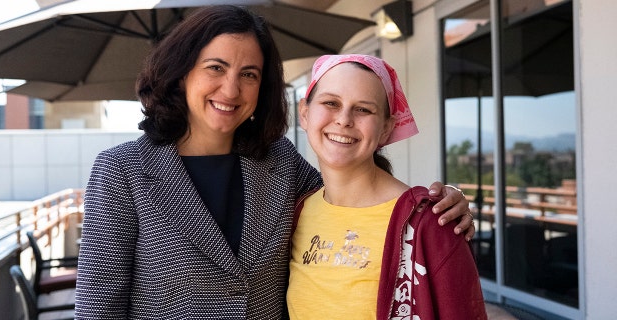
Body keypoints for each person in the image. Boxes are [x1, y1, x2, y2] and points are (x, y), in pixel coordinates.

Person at [75, 5, 475, 320]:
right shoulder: (122, 171)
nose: (231, 89)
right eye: (216, 67)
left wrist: (438, 202)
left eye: (249, 74)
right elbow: (98, 310)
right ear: (182, 73)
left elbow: (349, 195)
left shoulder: (279, 161)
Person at [287, 54, 487, 319]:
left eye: (363, 109)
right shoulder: (298, 211)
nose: (344, 119)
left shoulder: (431, 221)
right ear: (304, 113)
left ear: (385, 128)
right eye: (331, 103)